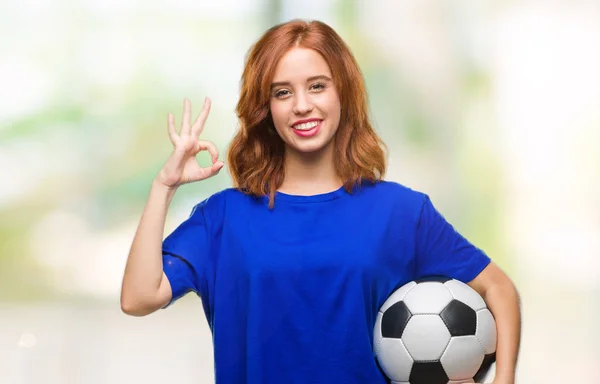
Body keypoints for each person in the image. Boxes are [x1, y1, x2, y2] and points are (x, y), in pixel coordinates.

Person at [120, 19, 521, 384]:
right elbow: (138, 297)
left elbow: (499, 289)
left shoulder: (401, 212)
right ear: (266, 109)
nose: (301, 105)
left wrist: (503, 380)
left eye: (317, 85)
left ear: (342, 93)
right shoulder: (224, 218)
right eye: (282, 92)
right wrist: (164, 184)